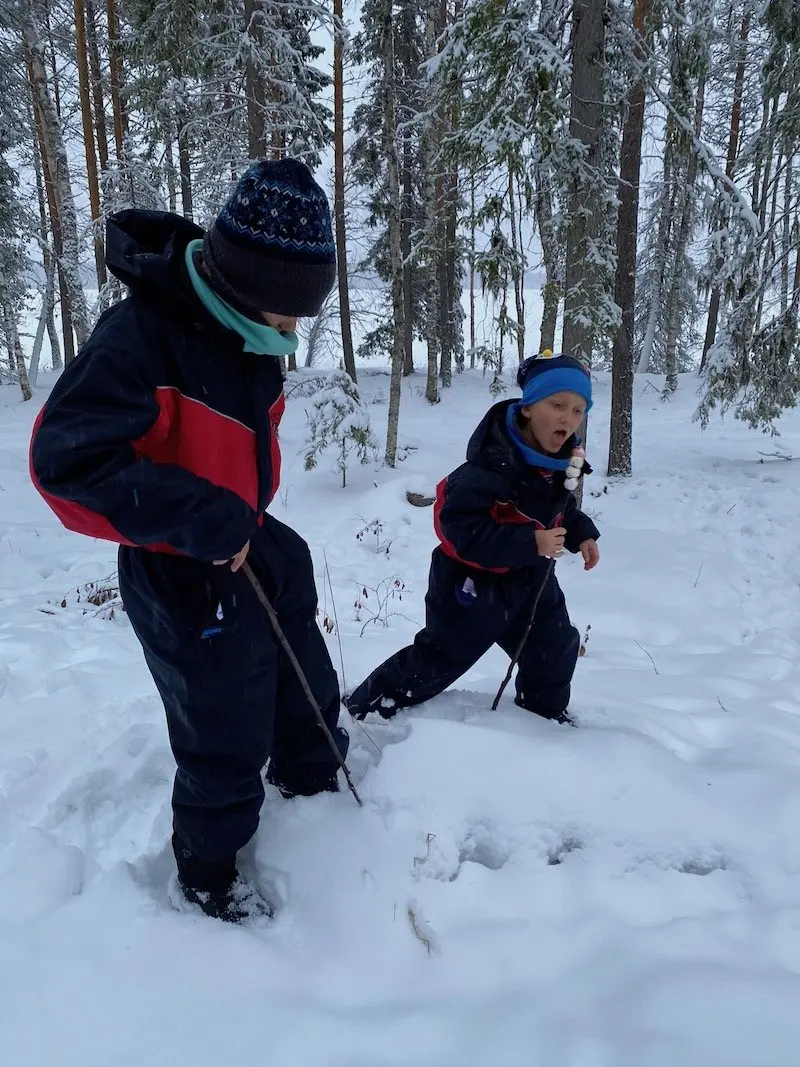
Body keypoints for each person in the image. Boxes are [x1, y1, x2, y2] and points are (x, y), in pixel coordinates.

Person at [30, 159, 349, 923]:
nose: (294, 331)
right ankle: (208, 874)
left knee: (295, 625)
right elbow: (66, 462)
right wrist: (201, 517)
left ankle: (314, 775)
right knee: (222, 730)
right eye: (288, 314)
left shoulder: (244, 328)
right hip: (178, 566)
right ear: (247, 282)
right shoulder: (142, 339)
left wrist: (236, 519)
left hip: (241, 533)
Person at [345, 352, 601, 725]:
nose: (568, 417)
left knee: (555, 647)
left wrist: (581, 535)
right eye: (558, 404)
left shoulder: (559, 465)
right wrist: (532, 542)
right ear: (528, 407)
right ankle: (366, 708)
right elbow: (459, 530)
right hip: (470, 585)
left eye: (578, 410)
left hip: (532, 579)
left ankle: (543, 719)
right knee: (441, 656)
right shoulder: (486, 469)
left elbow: (558, 510)